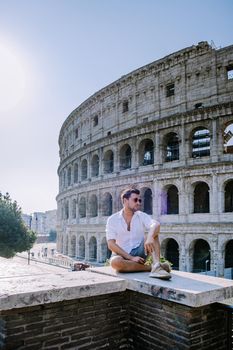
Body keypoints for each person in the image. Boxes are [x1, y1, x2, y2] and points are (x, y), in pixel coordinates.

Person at [106, 188, 171, 279]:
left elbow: (156, 224)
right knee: (115, 262)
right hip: (121, 254)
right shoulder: (113, 219)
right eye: (135, 200)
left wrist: (149, 237)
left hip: (140, 252)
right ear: (125, 200)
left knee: (154, 233)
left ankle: (156, 265)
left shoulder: (141, 215)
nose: (138, 203)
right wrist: (130, 258)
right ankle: (154, 268)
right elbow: (111, 244)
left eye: (139, 200)